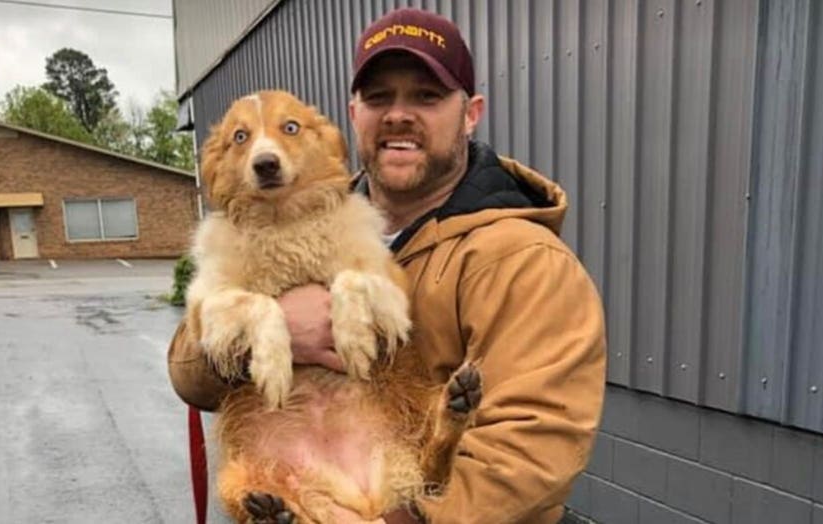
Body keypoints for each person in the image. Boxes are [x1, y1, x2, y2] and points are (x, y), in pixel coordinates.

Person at [168, 7, 606, 524]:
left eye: (426, 96)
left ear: (471, 113)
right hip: (307, 485)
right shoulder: (290, 216)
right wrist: (278, 327)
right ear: (353, 115)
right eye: (379, 98)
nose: (399, 115)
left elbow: (532, 450)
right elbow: (190, 378)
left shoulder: (524, 261)